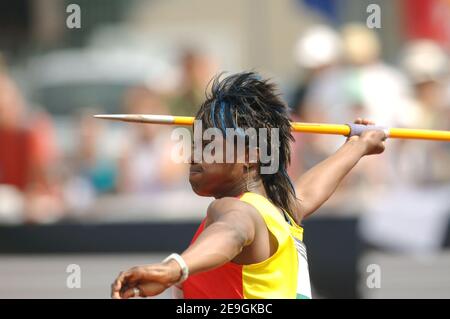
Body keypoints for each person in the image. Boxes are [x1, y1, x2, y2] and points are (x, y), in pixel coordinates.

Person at [111, 72, 386, 299]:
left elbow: (231, 232)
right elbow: (309, 191)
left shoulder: (236, 209)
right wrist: (357, 147)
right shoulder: (281, 212)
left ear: (251, 154)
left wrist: (174, 269)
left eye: (208, 144)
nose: (192, 154)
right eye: (194, 143)